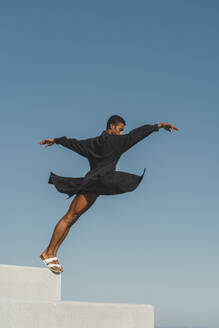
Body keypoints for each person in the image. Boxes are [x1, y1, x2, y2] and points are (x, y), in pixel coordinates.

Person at [38, 115, 179, 273]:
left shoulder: (92, 143)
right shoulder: (118, 142)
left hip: (95, 184)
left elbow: (73, 143)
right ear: (111, 126)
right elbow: (137, 135)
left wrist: (56, 140)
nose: (121, 133)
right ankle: (48, 253)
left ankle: (52, 254)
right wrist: (157, 126)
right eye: (120, 130)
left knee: (72, 219)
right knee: (69, 217)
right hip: (95, 185)